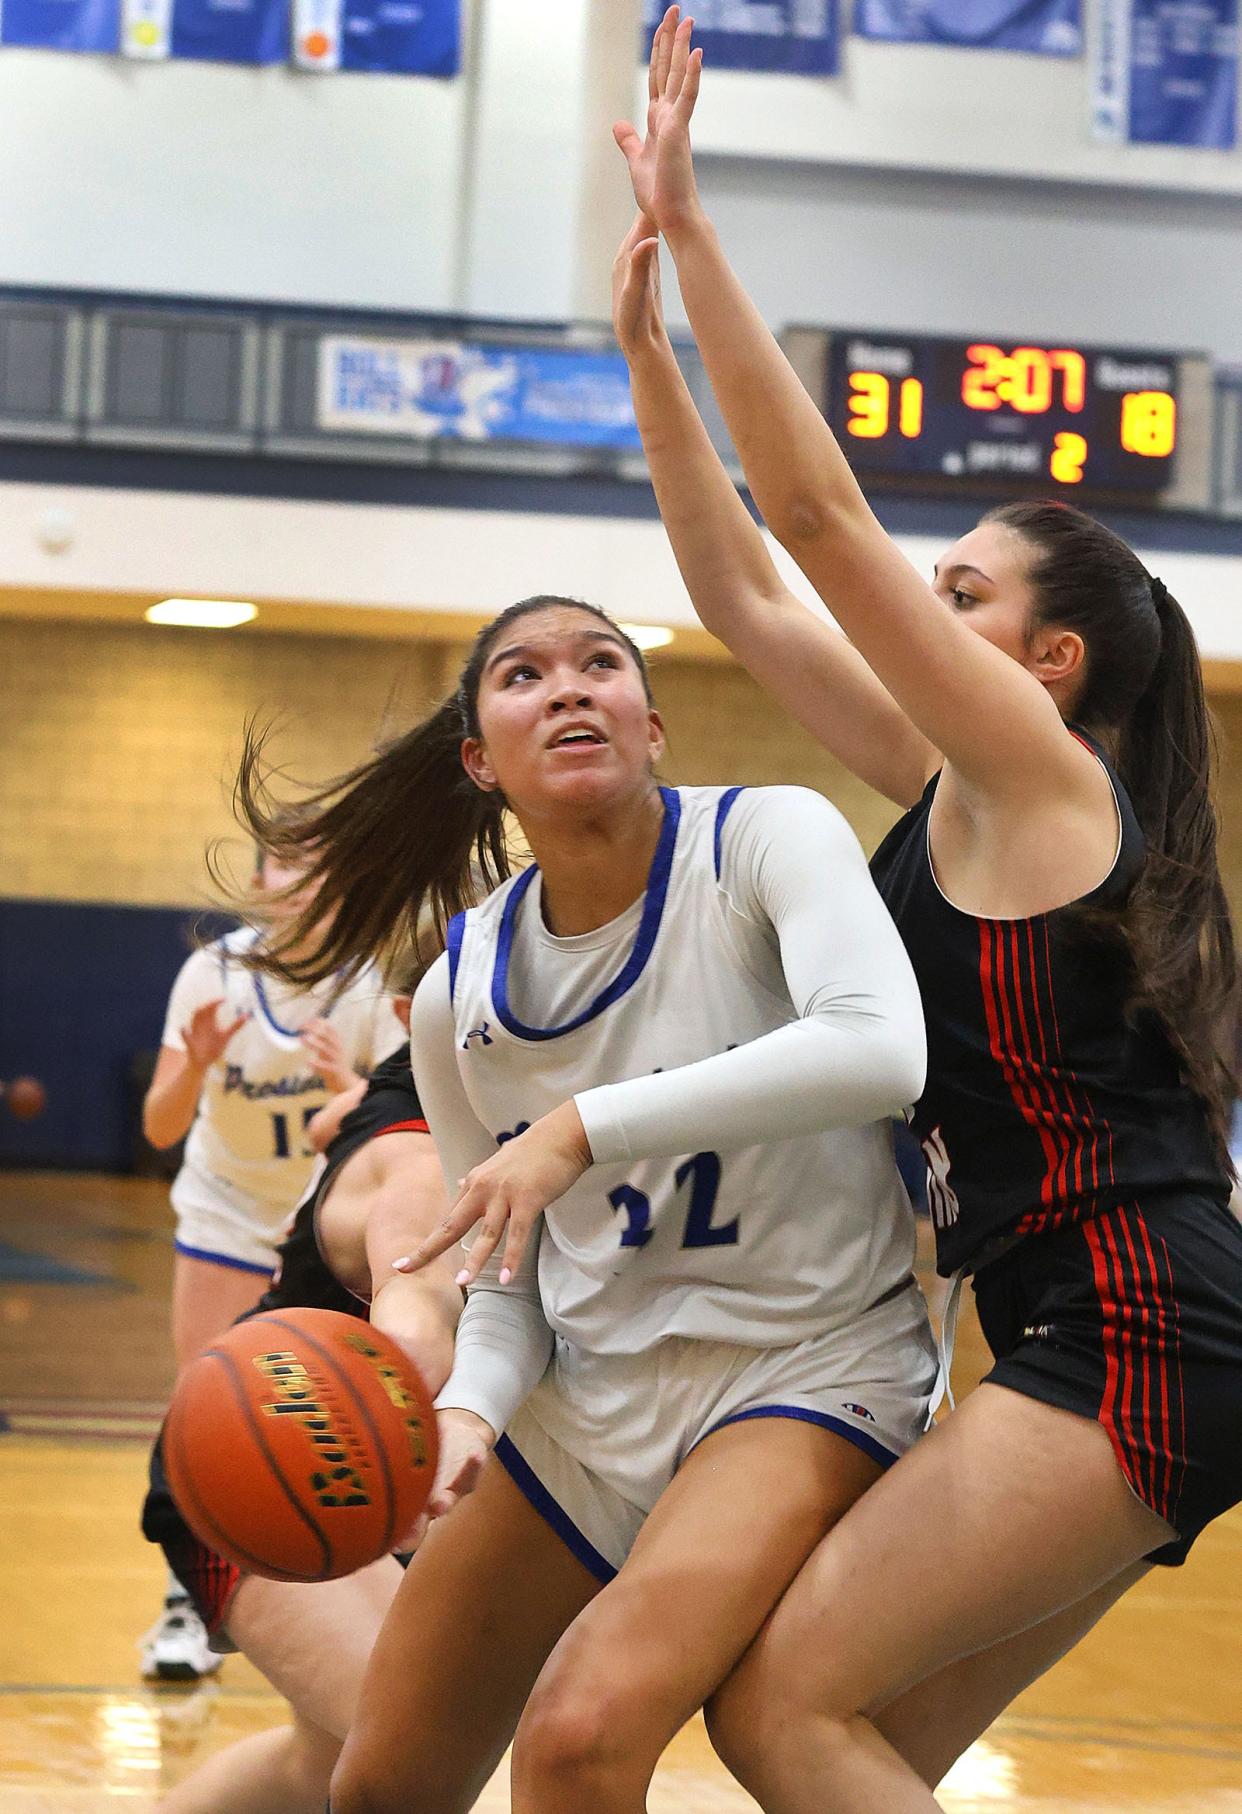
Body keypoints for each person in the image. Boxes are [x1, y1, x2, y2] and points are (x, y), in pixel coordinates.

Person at [607, 12, 1242, 1806]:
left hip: (1134, 1314)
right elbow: (741, 578)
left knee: (779, 1711)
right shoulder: (958, 786)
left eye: (954, 587)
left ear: (1050, 663)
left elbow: (810, 513)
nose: (915, 595)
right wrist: (647, 344)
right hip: (1087, 1317)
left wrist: (703, 227)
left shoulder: (1052, 790)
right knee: (861, 1743)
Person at [231, 592, 935, 1814]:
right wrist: (464, 1412)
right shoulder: (462, 989)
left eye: (600, 663)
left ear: (651, 724)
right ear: (479, 760)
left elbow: (881, 1051)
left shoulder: (765, 838)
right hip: (591, 1390)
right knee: (382, 1780)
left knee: (577, 1734)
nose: (567, 686)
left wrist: (579, 1127)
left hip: (802, 1365)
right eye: (523, 675)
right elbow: (505, 1273)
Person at [143, 1014, 461, 1813]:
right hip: (281, 1457)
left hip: (419, 1483)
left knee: (314, 1770)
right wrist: (412, 1364)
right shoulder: (414, 1136)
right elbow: (409, 1273)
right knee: (412, 1751)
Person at [140, 846, 397, 1680]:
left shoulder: (367, 974)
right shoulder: (212, 974)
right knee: (202, 1408)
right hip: (224, 1214)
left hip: (323, 1224)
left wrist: (346, 1081)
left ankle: (363, 1589)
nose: (308, 876)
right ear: (259, 882)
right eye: (287, 861)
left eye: (325, 859)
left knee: (350, 1409)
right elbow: (160, 1126)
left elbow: (393, 1114)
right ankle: (187, 1608)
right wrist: (201, 1064)